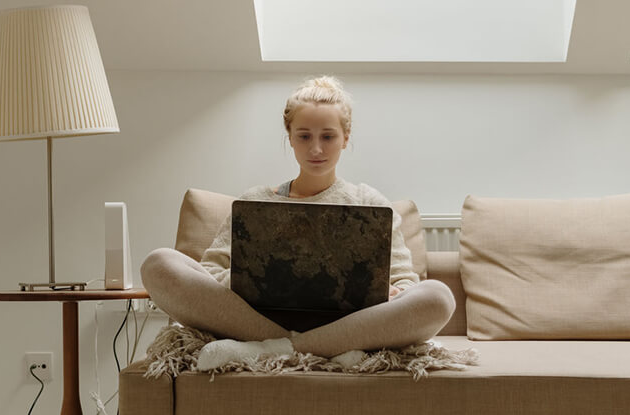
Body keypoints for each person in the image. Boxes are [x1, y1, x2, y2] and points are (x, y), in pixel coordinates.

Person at [140, 75, 456, 370]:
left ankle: (276, 349)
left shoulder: (369, 202)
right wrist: (254, 284)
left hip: (351, 324)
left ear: (345, 138)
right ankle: (312, 348)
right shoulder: (256, 200)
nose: (315, 148)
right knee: (159, 263)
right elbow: (211, 271)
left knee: (438, 297)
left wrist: (392, 290)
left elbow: (406, 284)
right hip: (256, 318)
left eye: (328, 136)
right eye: (304, 136)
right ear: (290, 137)